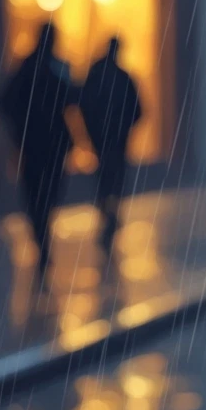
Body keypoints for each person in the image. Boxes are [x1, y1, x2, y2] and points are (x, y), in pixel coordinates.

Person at [0, 22, 77, 285]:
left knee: (40, 196)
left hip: (39, 146)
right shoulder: (47, 69)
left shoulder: (32, 68)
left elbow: (6, 104)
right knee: (44, 195)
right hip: (45, 145)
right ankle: (42, 238)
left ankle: (41, 236)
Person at [80, 37, 143, 254]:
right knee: (113, 179)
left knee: (108, 179)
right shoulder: (119, 77)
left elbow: (84, 103)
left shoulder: (102, 75)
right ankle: (110, 214)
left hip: (106, 138)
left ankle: (109, 214)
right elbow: (137, 109)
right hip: (111, 138)